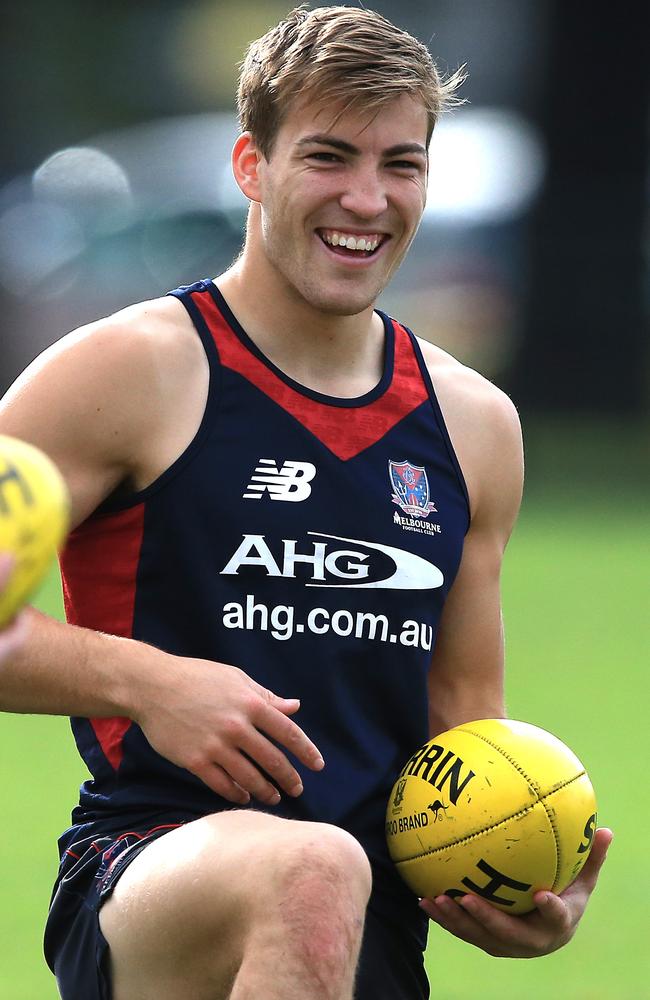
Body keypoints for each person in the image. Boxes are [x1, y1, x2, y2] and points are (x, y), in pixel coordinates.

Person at [0, 6, 611, 999]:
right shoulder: (127, 369)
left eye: (399, 165)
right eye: (328, 157)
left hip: (367, 918)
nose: (366, 199)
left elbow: (461, 721)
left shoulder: (473, 425)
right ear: (252, 165)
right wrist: (148, 680)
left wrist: (514, 875)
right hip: (149, 866)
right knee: (309, 865)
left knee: (329, 872)